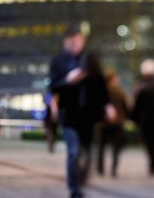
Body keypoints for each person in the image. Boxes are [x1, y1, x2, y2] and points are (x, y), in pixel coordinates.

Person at [49, 23, 108, 198]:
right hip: (69, 114)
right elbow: (52, 86)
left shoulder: (91, 59)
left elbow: (100, 83)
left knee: (87, 152)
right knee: (73, 151)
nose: (75, 45)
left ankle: (80, 178)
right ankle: (74, 189)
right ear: (65, 42)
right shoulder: (58, 61)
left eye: (78, 41)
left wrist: (107, 105)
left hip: (88, 114)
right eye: (72, 42)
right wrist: (67, 80)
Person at [97, 70, 129, 178]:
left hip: (102, 123)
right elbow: (126, 107)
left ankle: (100, 168)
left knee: (101, 147)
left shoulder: (100, 91)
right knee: (116, 147)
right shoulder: (119, 91)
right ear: (113, 79)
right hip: (117, 123)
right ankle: (114, 169)